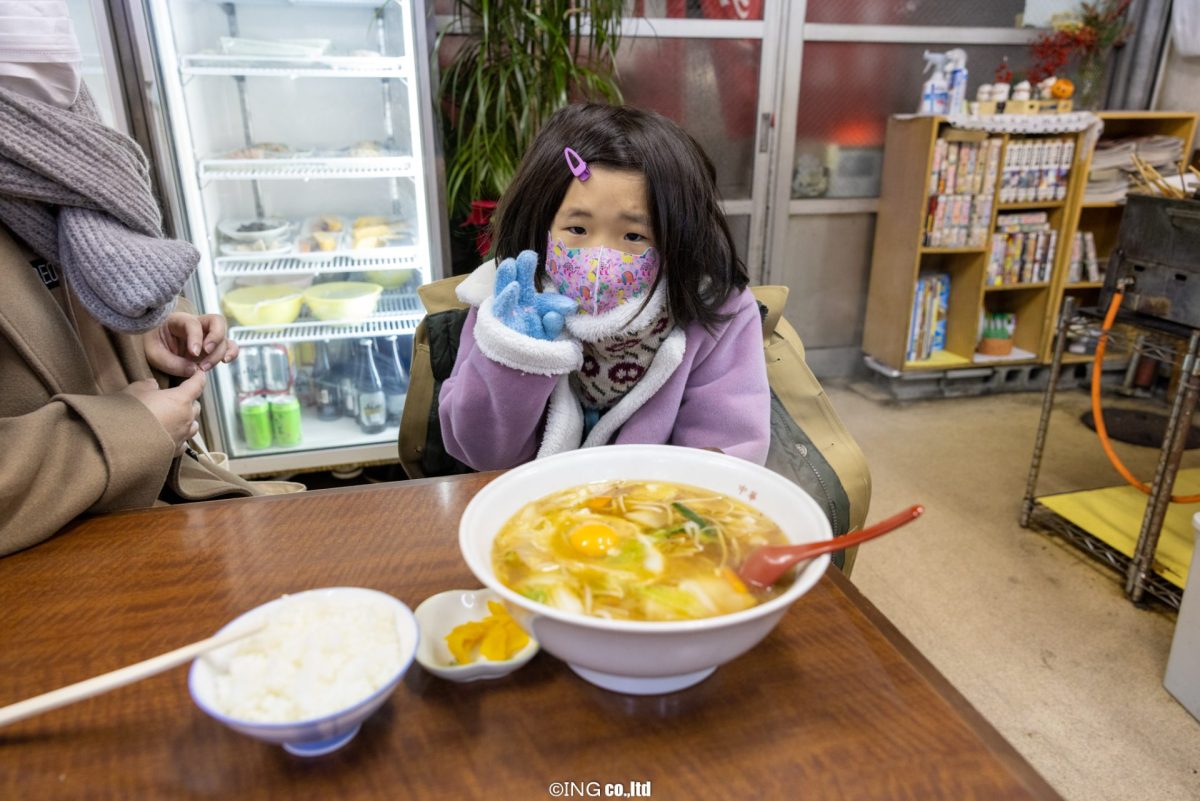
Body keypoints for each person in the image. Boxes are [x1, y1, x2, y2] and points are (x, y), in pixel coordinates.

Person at [0, 5, 273, 556]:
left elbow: (64, 292)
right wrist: (128, 430)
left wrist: (146, 332)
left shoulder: (72, 154)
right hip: (54, 566)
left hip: (145, 518)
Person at [439, 103, 770, 470]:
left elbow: (724, 458)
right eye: (577, 229)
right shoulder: (510, 298)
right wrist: (513, 354)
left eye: (634, 235)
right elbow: (482, 454)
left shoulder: (715, 310)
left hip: (655, 500)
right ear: (540, 220)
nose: (600, 259)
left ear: (679, 237)